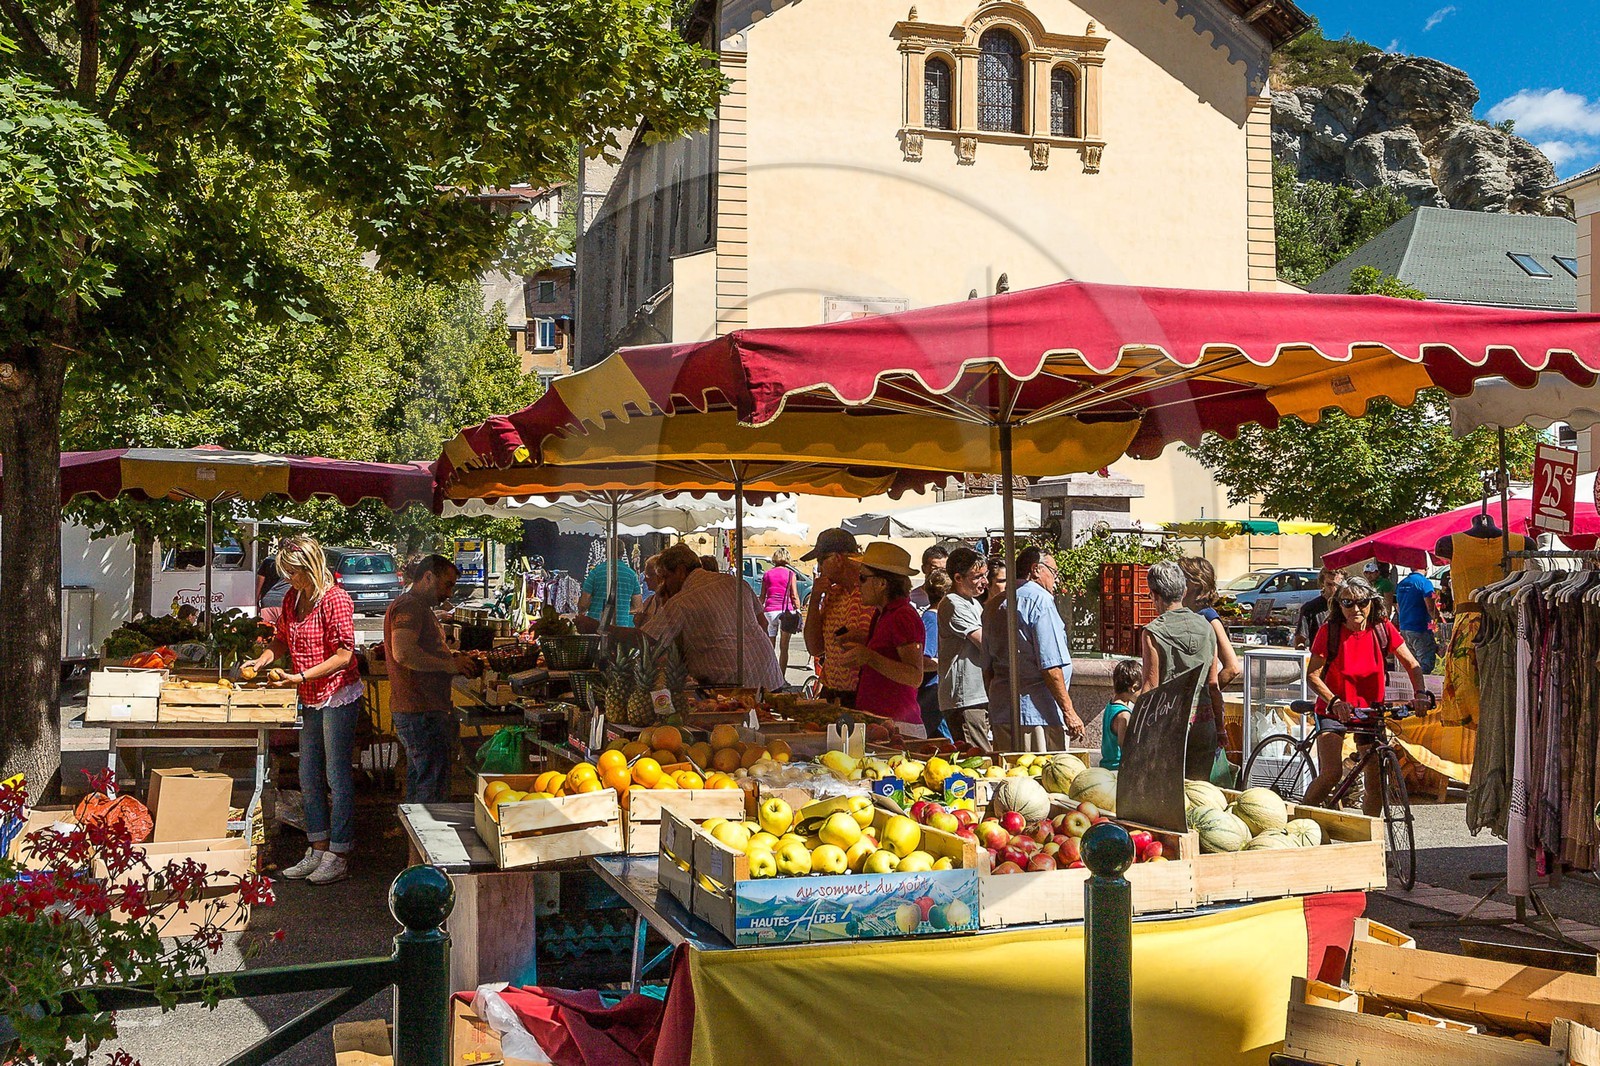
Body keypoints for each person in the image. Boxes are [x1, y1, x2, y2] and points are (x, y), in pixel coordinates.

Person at [244, 536, 362, 885]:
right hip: (309, 693)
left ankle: (339, 853)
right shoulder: (294, 598)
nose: (289, 580)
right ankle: (318, 846)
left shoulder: (335, 599)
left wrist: (298, 676)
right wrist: (264, 659)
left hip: (337, 693)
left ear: (311, 566)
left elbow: (344, 655)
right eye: (287, 574)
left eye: (294, 573)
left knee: (336, 775)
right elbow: (281, 638)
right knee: (308, 773)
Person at [1304, 575, 1429, 814]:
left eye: (1362, 602)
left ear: (1372, 602)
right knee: (1332, 773)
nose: (1356, 608)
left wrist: (1420, 693)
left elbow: (1412, 664)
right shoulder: (1328, 632)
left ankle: (1369, 837)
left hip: (1369, 710)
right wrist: (1335, 701)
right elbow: (1313, 676)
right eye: (1347, 603)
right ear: (1339, 606)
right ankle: (1301, 817)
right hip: (1334, 708)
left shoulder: (1382, 628)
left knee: (1376, 780)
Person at [384, 555, 472, 804]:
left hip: (423, 710)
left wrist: (449, 656)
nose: (449, 593)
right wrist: (449, 664)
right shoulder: (409, 606)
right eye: (447, 584)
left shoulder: (418, 607)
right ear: (428, 577)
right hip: (420, 711)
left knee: (422, 781)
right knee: (430, 788)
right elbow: (404, 653)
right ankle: (426, 840)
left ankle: (414, 841)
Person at [639, 543, 783, 689]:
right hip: (769, 674)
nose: (665, 584)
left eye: (666, 577)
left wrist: (615, 632)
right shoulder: (736, 583)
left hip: (730, 684)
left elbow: (647, 638)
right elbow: (763, 624)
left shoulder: (682, 601)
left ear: (680, 571)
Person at [992, 546, 1084, 752]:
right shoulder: (1040, 600)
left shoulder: (995, 603)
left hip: (1003, 712)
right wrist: (1069, 711)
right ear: (1035, 569)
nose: (1056, 580)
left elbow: (987, 667)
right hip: (1037, 715)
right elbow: (1050, 665)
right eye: (1054, 572)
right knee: (1038, 779)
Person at [1140, 559, 1224, 783]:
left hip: (1171, 727)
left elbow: (1150, 687)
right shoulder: (1207, 627)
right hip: (1204, 724)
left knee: (1169, 796)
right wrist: (1221, 728)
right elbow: (1213, 685)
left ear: (1154, 595)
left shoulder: (1153, 631)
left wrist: (1137, 733)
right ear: (1184, 590)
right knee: (1200, 795)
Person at [839, 543, 927, 736]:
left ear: (881, 583)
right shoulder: (884, 614)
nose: (857, 584)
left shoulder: (902, 616)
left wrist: (869, 656)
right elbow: (892, 649)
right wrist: (865, 640)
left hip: (899, 726)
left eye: (862, 578)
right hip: (883, 722)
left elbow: (915, 676)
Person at [801, 528, 874, 705]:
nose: (819, 568)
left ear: (838, 559)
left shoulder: (871, 593)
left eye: (821, 560)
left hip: (863, 695)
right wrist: (815, 599)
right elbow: (814, 647)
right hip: (832, 692)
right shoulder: (832, 594)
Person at [938, 546, 993, 749]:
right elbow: (984, 643)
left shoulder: (971, 602)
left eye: (985, 575)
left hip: (977, 695)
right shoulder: (953, 604)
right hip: (965, 698)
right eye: (977, 577)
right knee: (979, 758)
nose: (985, 582)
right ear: (958, 578)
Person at [1179, 556, 1241, 687]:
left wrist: (1206, 695)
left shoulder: (1208, 616)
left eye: (1182, 579)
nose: (1177, 582)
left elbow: (1233, 668)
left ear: (1195, 583)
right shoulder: (1191, 614)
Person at [918, 569, 953, 740]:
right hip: (931, 695)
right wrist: (948, 661)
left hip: (938, 692)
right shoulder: (932, 619)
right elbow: (924, 660)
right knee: (946, 740)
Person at [761, 548, 803, 679]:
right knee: (784, 648)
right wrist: (798, 609)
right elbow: (794, 595)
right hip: (787, 612)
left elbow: (762, 596)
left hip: (770, 611)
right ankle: (781, 678)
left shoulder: (767, 574)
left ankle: (769, 677)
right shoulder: (791, 574)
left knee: (769, 647)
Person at [1394, 567, 1442, 673]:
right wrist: (1439, 621)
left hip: (1405, 627)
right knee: (1425, 663)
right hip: (1420, 628)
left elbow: (1398, 607)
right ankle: (1423, 687)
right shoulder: (1425, 582)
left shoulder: (1401, 583)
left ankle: (1414, 687)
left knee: (1411, 663)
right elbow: (1431, 608)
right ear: (1425, 568)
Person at [1099, 658, 1143, 772]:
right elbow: (1125, 747)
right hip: (1118, 770)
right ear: (1133, 687)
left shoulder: (1110, 706)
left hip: (1106, 766)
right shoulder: (1124, 715)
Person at [577, 556, 642, 631]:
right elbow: (638, 608)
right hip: (621, 627)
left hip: (595, 625)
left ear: (606, 553)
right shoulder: (632, 575)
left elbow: (583, 604)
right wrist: (621, 610)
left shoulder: (595, 572)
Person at [1295, 568, 1344, 650]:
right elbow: (1300, 640)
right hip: (1321, 657)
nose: (1334, 589)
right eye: (1329, 584)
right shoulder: (1310, 608)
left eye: (1337, 585)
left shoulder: (1348, 606)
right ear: (1322, 583)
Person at [909, 544, 949, 612]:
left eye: (943, 569)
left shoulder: (952, 597)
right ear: (923, 569)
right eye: (935, 569)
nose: (939, 573)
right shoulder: (911, 599)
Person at [636, 553, 666, 625]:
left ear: (660, 575)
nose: (645, 579)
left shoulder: (670, 604)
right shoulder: (649, 600)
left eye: (648, 575)